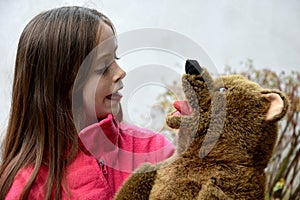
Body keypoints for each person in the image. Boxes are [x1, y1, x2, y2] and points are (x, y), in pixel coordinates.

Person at [0, 6, 175, 200]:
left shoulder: (152, 149)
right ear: (61, 85)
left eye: (115, 58)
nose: (120, 72)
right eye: (103, 67)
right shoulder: (26, 188)